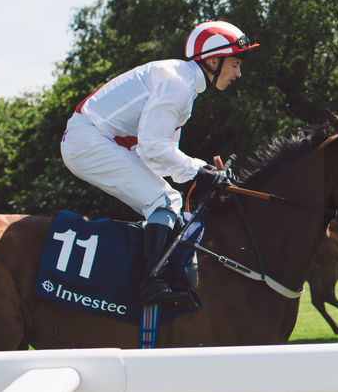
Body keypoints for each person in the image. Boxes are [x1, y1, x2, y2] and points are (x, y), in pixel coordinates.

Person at [60, 20, 258, 309]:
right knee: (164, 200)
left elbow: (161, 155)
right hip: (88, 140)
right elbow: (154, 150)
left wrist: (204, 172)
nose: (239, 73)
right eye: (235, 64)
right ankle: (150, 283)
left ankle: (154, 278)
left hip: (96, 140)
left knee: (168, 200)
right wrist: (201, 171)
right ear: (214, 60)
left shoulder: (184, 84)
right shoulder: (177, 82)